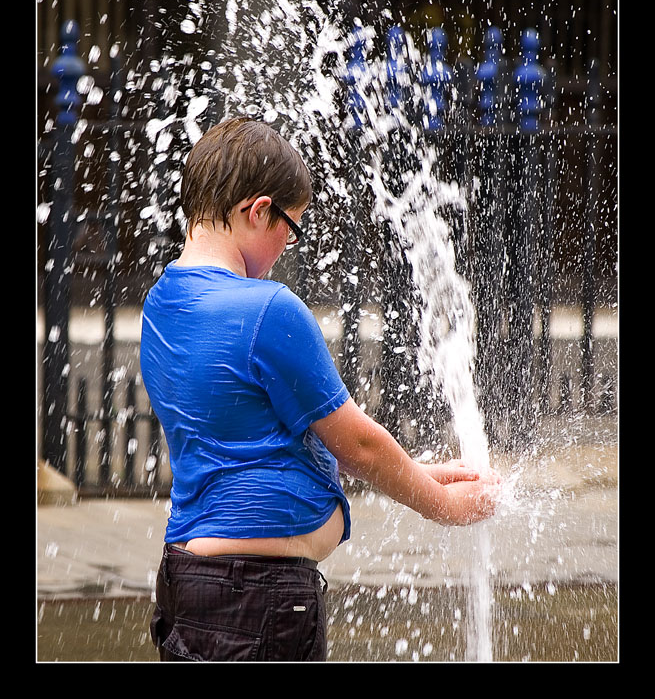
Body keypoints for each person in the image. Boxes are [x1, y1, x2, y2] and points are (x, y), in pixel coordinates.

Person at [141, 117, 501, 662]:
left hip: (189, 584)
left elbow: (264, 435)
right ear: (258, 210)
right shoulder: (266, 310)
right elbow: (356, 442)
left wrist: (414, 472)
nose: (288, 243)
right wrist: (442, 505)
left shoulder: (160, 306)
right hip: (258, 601)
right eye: (292, 225)